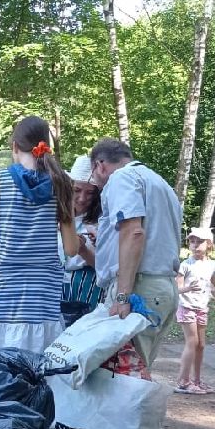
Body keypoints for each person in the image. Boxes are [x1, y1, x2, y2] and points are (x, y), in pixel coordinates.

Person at [0, 116, 78, 353]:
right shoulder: (62, 183)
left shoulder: (0, 180)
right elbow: (71, 249)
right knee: (35, 375)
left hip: (0, 295)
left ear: (15, 146)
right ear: (47, 146)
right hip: (42, 300)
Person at [89, 137, 182, 368]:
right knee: (138, 373)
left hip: (138, 289)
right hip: (163, 287)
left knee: (120, 377)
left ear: (100, 165)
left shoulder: (121, 178)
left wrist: (122, 296)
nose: (97, 184)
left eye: (94, 176)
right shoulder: (159, 182)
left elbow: (134, 233)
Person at [175, 226, 215, 394]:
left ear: (209, 244)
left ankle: (196, 380)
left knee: (201, 345)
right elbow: (176, 289)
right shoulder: (185, 265)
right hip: (187, 307)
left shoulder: (212, 265)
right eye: (192, 241)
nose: (195, 245)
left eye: (199, 241)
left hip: (202, 307)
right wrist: (187, 289)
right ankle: (183, 382)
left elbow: (213, 287)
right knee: (192, 342)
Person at [61, 155, 104, 311]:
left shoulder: (102, 221)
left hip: (88, 287)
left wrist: (83, 250)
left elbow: (106, 268)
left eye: (90, 193)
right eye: (76, 190)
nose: (82, 198)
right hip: (55, 287)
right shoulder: (56, 216)